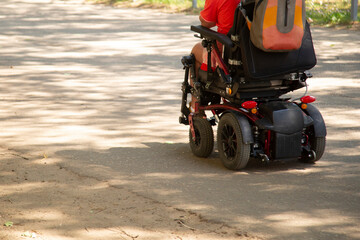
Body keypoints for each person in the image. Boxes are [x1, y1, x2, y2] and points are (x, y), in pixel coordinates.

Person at [190, 0, 241, 112]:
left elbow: (206, 22)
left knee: (196, 50)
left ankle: (195, 106)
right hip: (266, 55)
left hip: (230, 54)